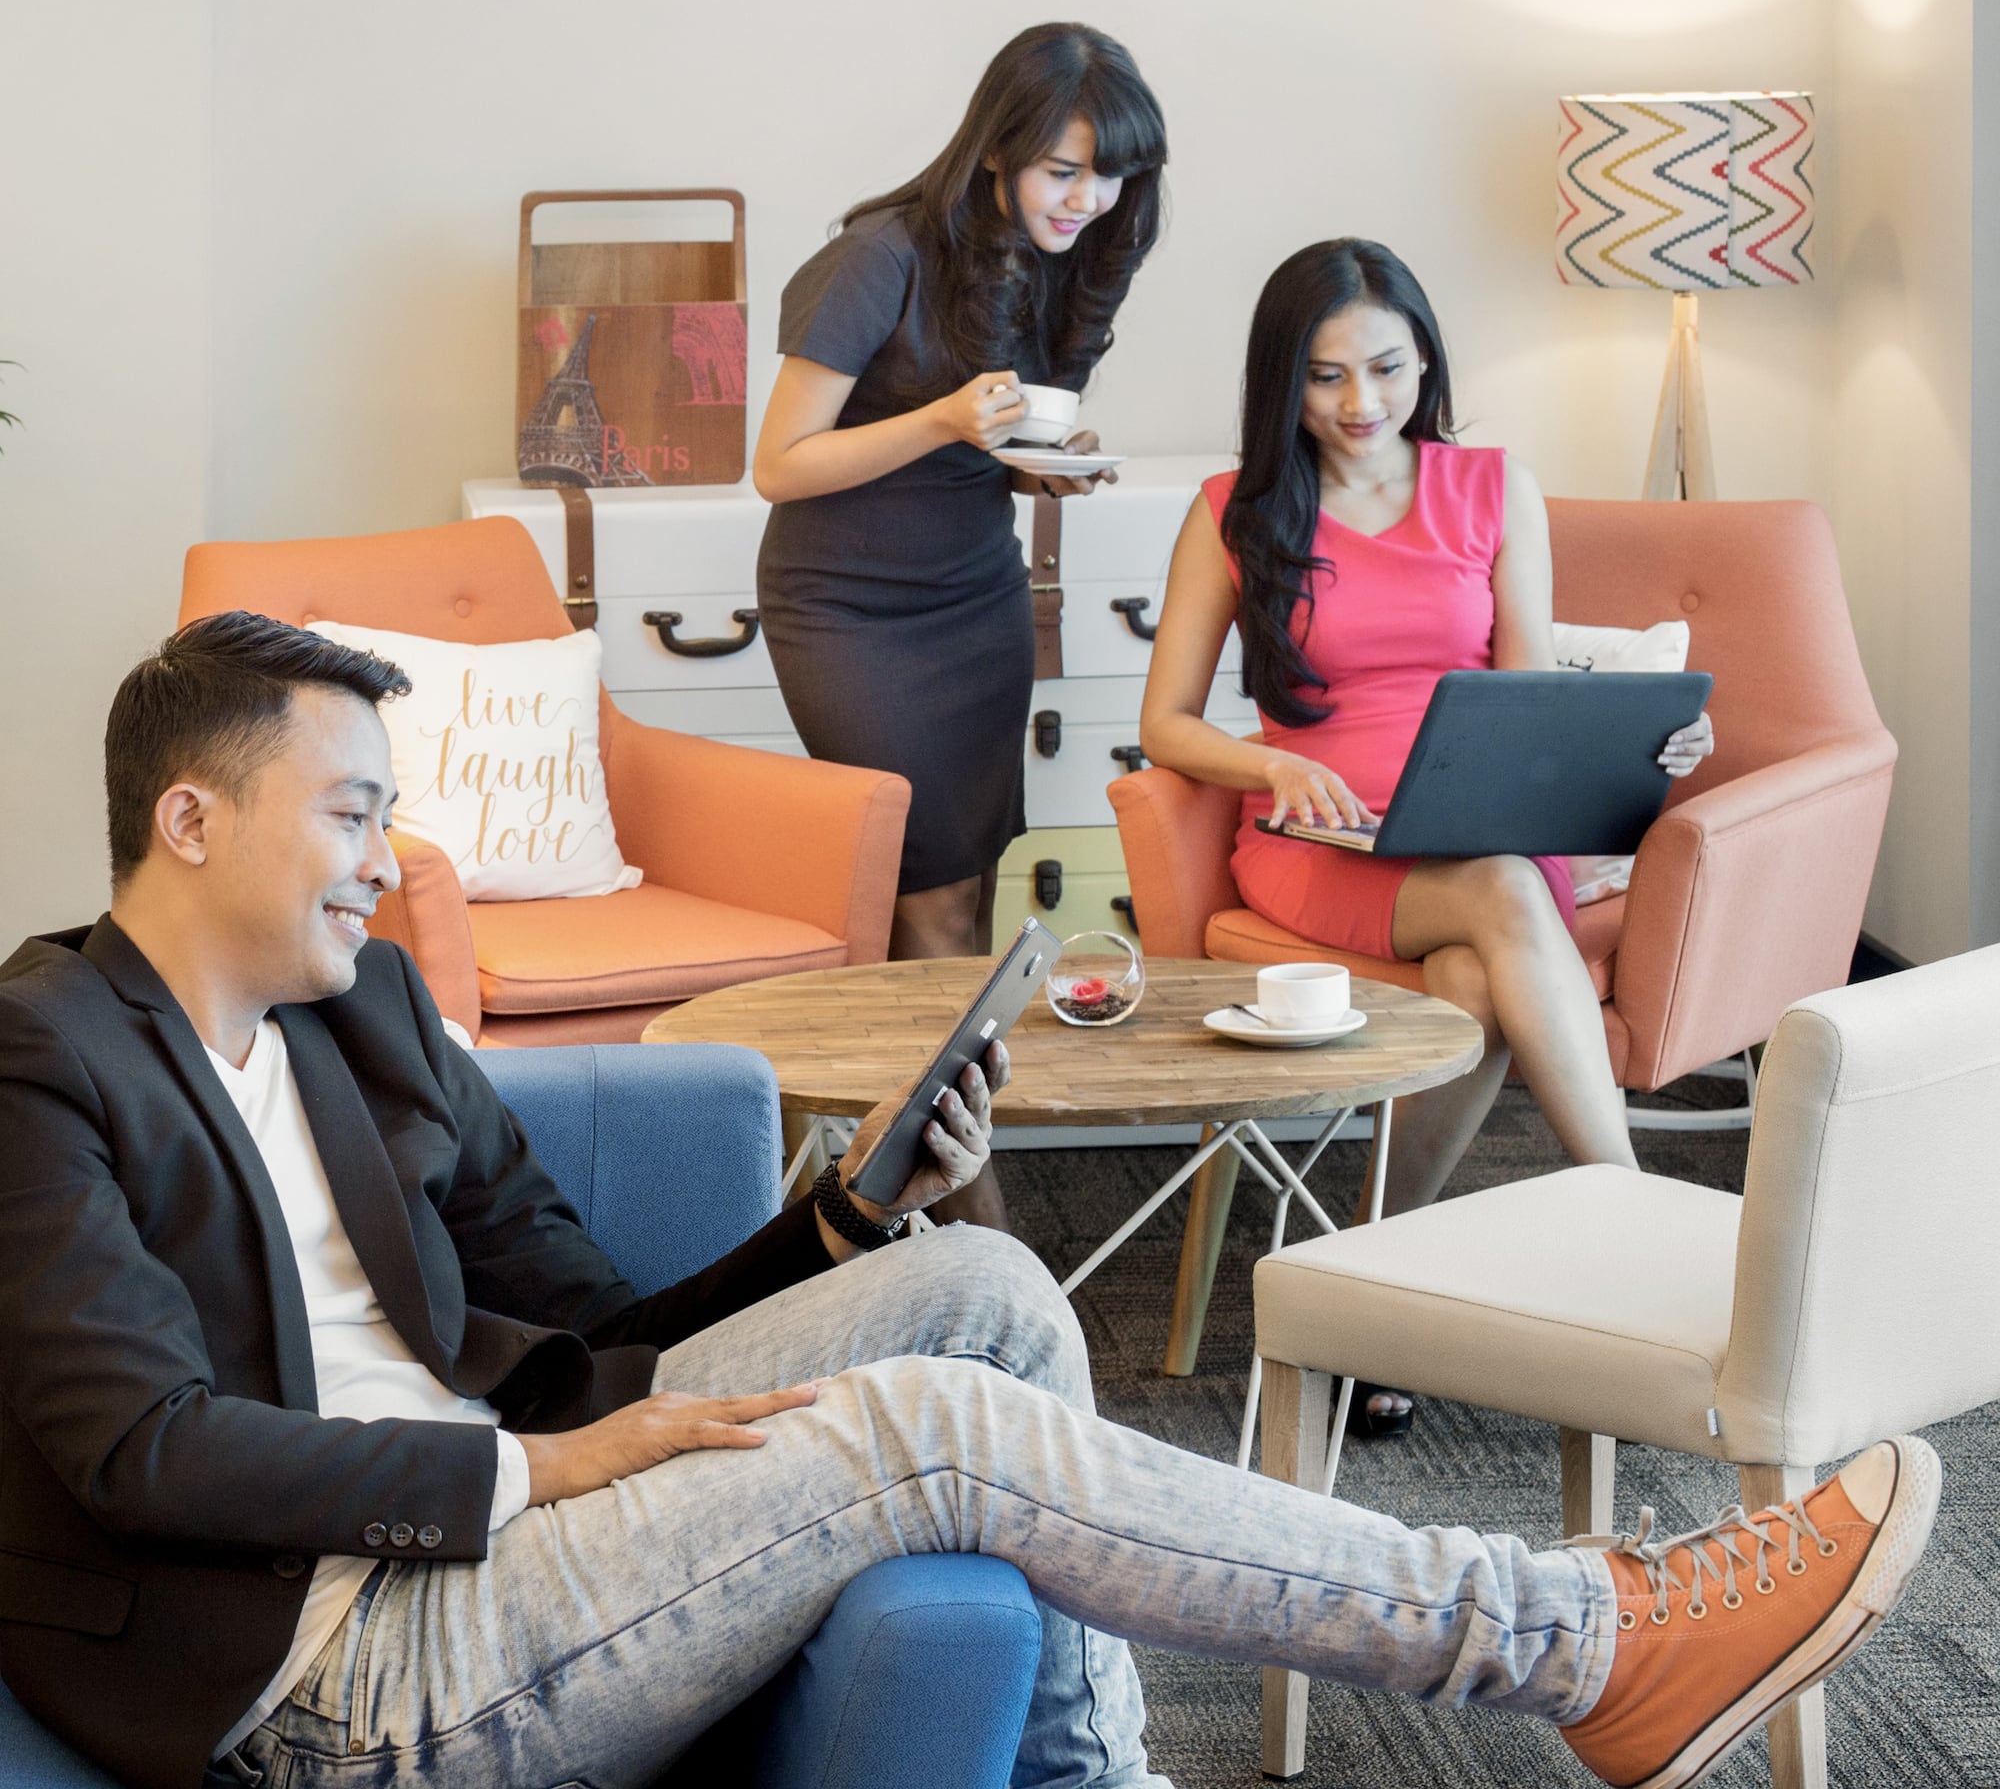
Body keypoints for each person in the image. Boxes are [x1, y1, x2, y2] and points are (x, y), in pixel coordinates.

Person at [0, 612, 1932, 1789]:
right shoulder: (46, 1052)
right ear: (192, 817)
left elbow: (596, 1320)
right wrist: (537, 1479)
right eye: (350, 810)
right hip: (337, 1669)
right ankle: (1572, 1641)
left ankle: (1093, 1781)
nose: (384, 855)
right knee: (931, 1431)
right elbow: (140, 1451)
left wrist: (844, 1223)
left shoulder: (369, 1019)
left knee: (986, 1283)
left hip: (507, 1532)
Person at [1138, 239, 1716, 1436]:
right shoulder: (1235, 510)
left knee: (1473, 968)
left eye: (1387, 369)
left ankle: (1371, 1283)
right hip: (1319, 838)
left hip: (1480, 829)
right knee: (1502, 904)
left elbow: (1525, 701)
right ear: (1282, 383)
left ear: (1424, 360)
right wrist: (1275, 761)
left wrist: (1647, 749)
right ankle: (1638, 1214)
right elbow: (1166, 725)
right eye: (1326, 377)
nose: (1361, 404)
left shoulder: (1494, 487)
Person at [752, 23, 1166, 1232]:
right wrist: (942, 419)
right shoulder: (876, 257)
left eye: (1109, 175)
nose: (1086, 199)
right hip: (850, 611)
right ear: (995, 153)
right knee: (931, 906)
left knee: (958, 900)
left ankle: (884, 1187)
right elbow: (779, 465)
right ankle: (980, 1220)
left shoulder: (1065, 255)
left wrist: (1047, 469)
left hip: (977, 596)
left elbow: (997, 442)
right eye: (1061, 171)